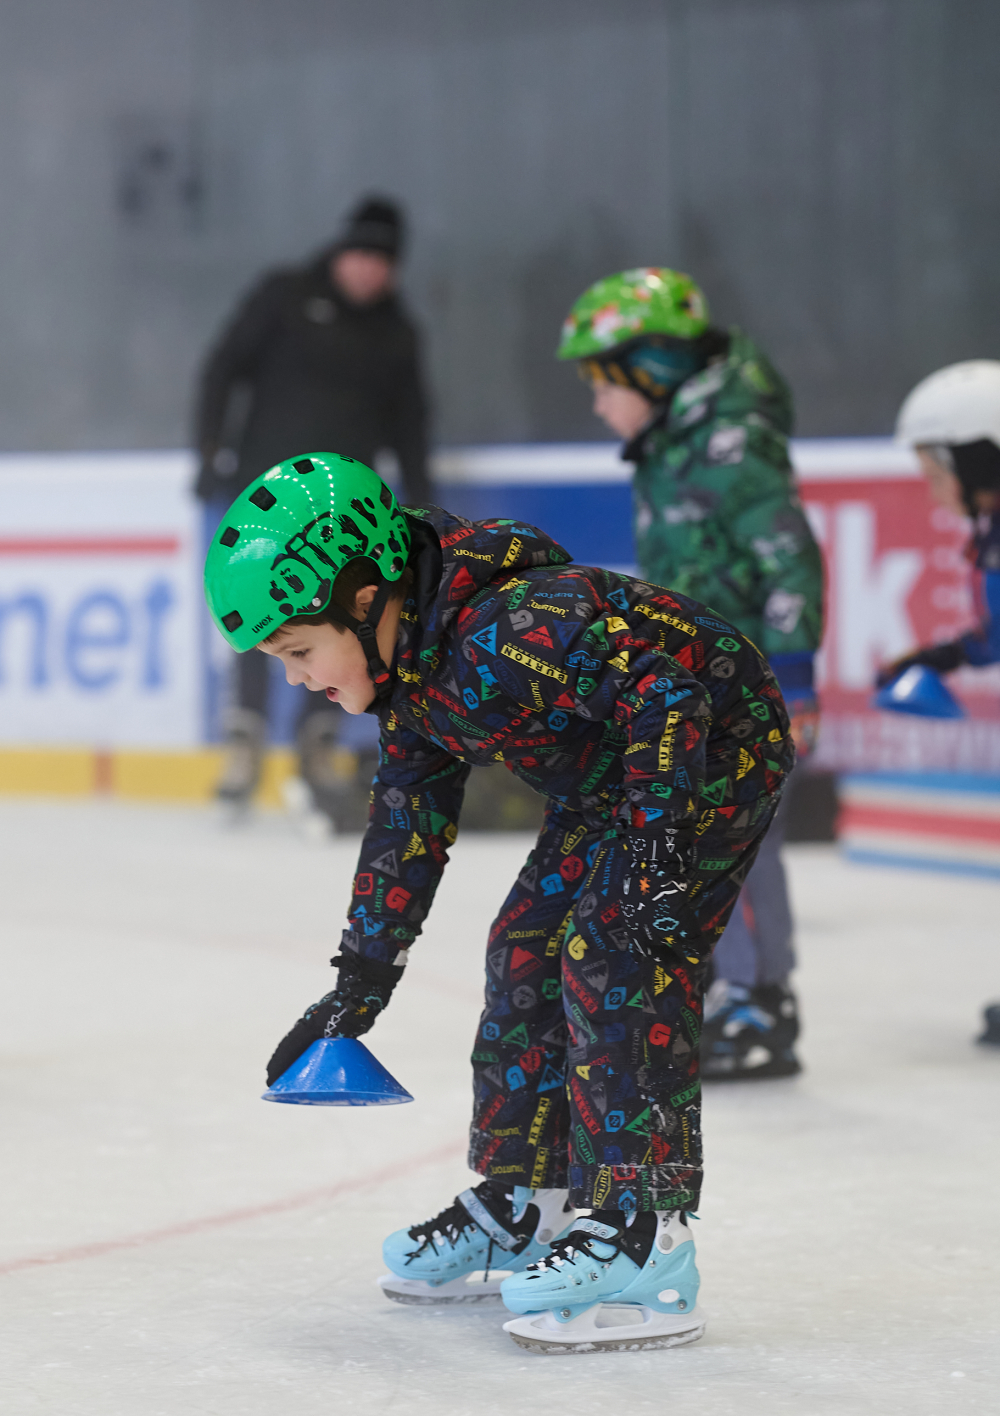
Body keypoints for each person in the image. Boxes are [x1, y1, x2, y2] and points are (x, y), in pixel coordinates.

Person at [203, 451, 794, 1353]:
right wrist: (358, 983)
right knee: (524, 945)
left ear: (364, 599)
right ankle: (529, 1203)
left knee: (616, 953)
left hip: (717, 751)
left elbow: (669, 694)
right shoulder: (412, 677)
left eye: (298, 651)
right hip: (614, 780)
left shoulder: (511, 627)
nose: (294, 680)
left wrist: (657, 858)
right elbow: (406, 825)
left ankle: (646, 1232)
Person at [557, 267, 824, 1080]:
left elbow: (790, 559)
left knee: (737, 839)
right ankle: (728, 989)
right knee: (705, 835)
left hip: (750, 689)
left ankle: (759, 1002)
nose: (597, 405)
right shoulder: (672, 446)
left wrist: (795, 679)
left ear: (654, 369)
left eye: (604, 385)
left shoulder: (728, 444)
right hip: (702, 682)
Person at [193, 196, 432, 812]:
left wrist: (424, 499)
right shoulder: (286, 295)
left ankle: (315, 742)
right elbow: (222, 367)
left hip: (335, 513)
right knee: (257, 611)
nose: (368, 270)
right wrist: (209, 450)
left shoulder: (397, 332)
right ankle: (244, 738)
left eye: (382, 261)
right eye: (361, 255)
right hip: (261, 499)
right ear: (341, 251)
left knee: (334, 622)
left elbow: (411, 423)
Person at [883, 360, 1000, 1049]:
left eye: (937, 471)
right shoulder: (992, 531)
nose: (931, 488)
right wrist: (940, 656)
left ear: (980, 456)